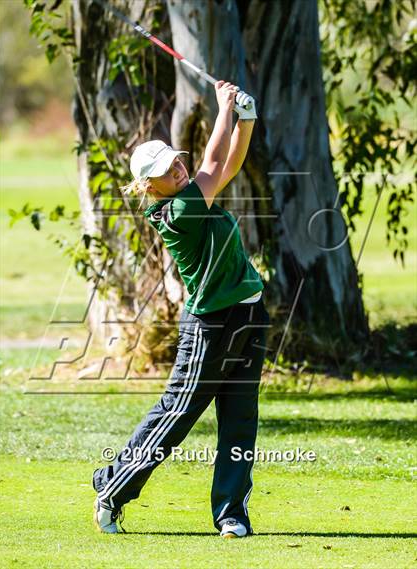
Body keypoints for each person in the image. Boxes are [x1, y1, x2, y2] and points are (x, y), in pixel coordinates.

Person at [93, 80, 271, 538]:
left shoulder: (195, 193)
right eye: (163, 168)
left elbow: (227, 165)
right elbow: (213, 161)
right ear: (146, 185)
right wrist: (225, 106)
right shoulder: (174, 213)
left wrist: (243, 118)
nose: (175, 167)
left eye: (174, 160)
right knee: (178, 413)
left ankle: (231, 515)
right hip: (210, 325)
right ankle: (112, 489)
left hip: (248, 314)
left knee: (240, 419)